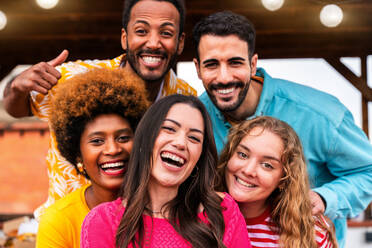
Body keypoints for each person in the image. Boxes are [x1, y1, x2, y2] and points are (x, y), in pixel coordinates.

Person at [192, 11, 372, 247]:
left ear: (253, 64)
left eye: (235, 62)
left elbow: (368, 172)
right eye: (211, 65)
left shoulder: (320, 115)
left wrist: (325, 199)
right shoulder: (194, 118)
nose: (224, 77)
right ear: (197, 68)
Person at [2, 0, 196, 219]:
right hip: (68, 228)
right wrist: (17, 87)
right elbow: (17, 108)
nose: (153, 42)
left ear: (180, 43)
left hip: (137, 231)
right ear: (125, 38)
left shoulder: (184, 100)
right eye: (141, 31)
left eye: (166, 33)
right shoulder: (75, 79)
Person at [81, 94, 251, 248]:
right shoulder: (102, 221)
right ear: (145, 139)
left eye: (194, 138)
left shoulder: (222, 212)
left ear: (199, 157)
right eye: (169, 129)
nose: (180, 143)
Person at [36, 68, 149, 248]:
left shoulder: (161, 208)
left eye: (123, 138)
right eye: (97, 141)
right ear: (77, 153)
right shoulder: (59, 221)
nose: (112, 149)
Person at [216, 116, 338, 248]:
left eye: (267, 165)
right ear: (229, 155)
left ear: (284, 179)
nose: (248, 170)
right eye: (243, 155)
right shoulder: (197, 216)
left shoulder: (311, 233)